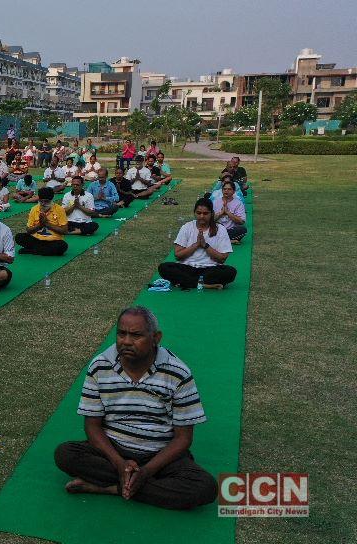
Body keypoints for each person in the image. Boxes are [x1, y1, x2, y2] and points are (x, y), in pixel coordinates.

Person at [53, 306, 217, 510]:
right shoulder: (100, 366)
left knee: (205, 488)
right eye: (121, 334)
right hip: (113, 450)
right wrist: (119, 464)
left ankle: (111, 488)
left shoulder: (178, 373)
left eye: (136, 335)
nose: (126, 341)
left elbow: (183, 438)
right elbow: (92, 427)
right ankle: (132, 482)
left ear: (156, 337)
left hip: (159, 455)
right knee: (65, 454)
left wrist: (146, 471)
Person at [158, 195, 237, 289]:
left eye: (205, 213)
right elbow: (178, 256)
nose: (201, 216)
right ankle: (202, 284)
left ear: (211, 213)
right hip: (187, 267)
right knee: (164, 267)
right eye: (198, 213)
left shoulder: (220, 229)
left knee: (230, 272)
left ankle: (188, 282)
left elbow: (222, 259)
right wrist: (196, 245)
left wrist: (205, 245)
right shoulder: (187, 227)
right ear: (194, 213)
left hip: (210, 268)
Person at [15, 187, 68, 256]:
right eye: (41, 201)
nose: (43, 204)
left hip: (53, 241)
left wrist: (47, 224)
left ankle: (32, 250)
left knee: (62, 246)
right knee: (19, 237)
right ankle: (41, 250)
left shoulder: (59, 209)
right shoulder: (34, 209)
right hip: (36, 239)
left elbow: (64, 231)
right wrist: (40, 225)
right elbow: (28, 230)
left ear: (52, 200)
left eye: (46, 201)